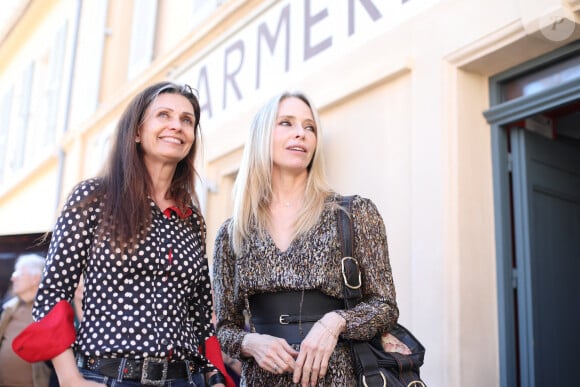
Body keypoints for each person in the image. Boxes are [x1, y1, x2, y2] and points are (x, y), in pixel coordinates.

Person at [14, 81, 232, 387]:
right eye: (164, 115)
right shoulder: (93, 199)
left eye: (187, 120)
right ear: (137, 132)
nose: (177, 126)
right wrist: (69, 378)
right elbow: (52, 294)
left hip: (185, 379)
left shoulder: (191, 216)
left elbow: (199, 309)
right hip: (109, 377)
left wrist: (214, 376)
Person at [212, 91, 399, 386]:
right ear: (262, 136)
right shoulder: (231, 233)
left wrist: (335, 322)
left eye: (309, 127)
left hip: (339, 377)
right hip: (262, 379)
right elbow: (224, 328)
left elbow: (385, 307)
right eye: (286, 123)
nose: (301, 133)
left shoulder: (354, 213)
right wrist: (251, 343)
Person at [0, 253, 51, 387]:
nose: (12, 278)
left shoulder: (48, 311)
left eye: (19, 274)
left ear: (36, 278)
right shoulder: (8, 308)